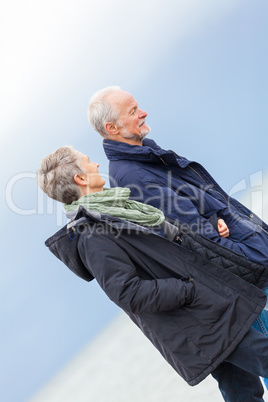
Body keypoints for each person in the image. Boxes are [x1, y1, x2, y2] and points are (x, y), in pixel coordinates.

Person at [37, 145, 268, 401]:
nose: (97, 165)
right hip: (201, 319)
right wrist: (190, 290)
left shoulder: (118, 210)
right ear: (81, 178)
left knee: (243, 393)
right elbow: (127, 292)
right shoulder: (92, 235)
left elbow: (168, 248)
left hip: (213, 310)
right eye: (89, 162)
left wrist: (211, 228)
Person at [88, 86, 268, 355]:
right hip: (249, 272)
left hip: (253, 259)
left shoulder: (148, 156)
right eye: (134, 111)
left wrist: (216, 219)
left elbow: (203, 213)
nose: (143, 113)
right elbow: (200, 240)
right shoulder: (133, 176)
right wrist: (255, 257)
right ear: (112, 128)